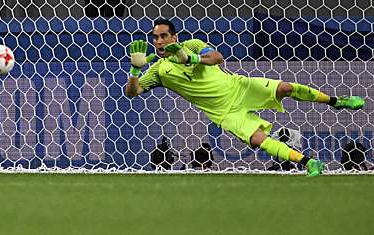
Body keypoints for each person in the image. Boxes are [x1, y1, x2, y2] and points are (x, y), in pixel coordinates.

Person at [125, 19, 366, 176]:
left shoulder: (194, 45)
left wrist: (191, 59)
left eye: (163, 36)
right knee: (259, 139)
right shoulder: (157, 70)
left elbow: (217, 58)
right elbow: (132, 93)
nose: (158, 41)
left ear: (174, 37)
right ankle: (308, 163)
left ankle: (336, 101)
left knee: (284, 87)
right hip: (224, 113)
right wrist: (135, 71)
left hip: (239, 87)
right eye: (155, 37)